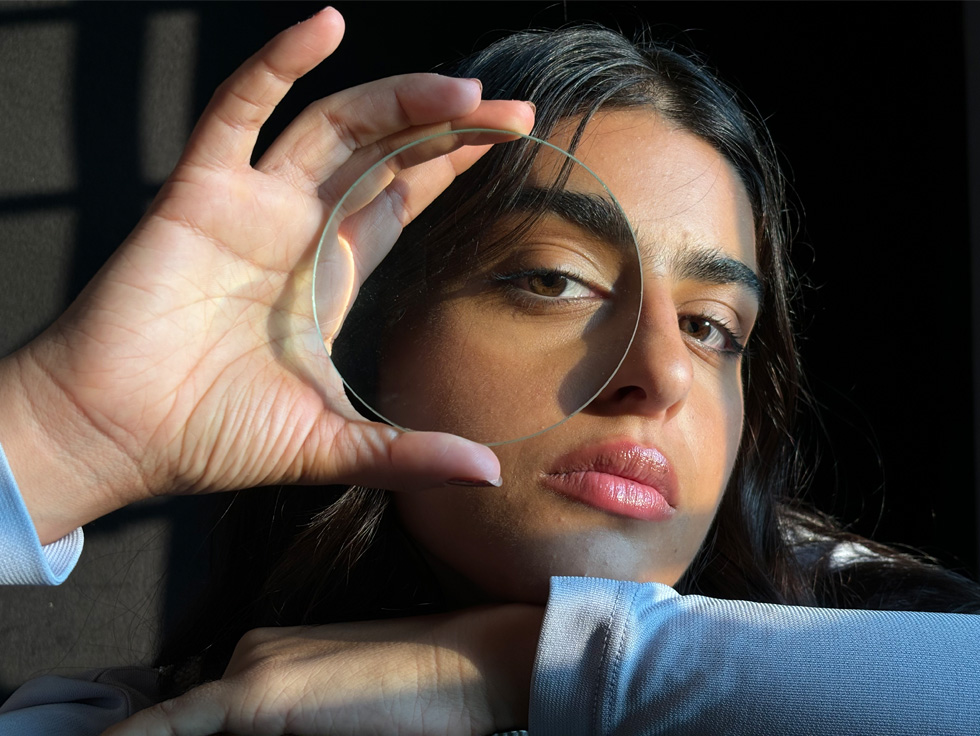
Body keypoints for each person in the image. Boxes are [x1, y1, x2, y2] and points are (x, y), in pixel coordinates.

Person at [2, 6, 980, 735]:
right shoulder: (128, 723)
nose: (659, 376)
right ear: (371, 331)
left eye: (711, 327)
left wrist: (530, 662)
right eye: (555, 280)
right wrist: (57, 437)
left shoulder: (873, 632)